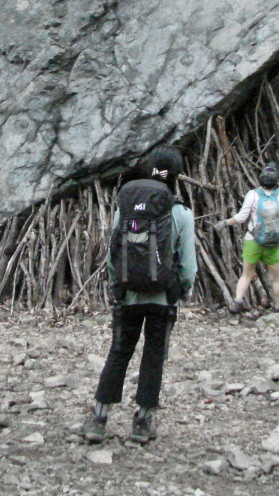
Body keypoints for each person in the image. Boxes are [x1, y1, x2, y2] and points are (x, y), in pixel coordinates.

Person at [81, 145, 197, 445]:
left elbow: (112, 252)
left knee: (119, 352)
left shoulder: (126, 207)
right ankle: (143, 422)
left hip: (128, 294)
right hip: (163, 298)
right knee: (154, 355)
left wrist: (116, 285)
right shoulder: (181, 212)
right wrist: (182, 290)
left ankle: (98, 417)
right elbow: (188, 265)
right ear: (176, 175)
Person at [214, 163, 279, 315]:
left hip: (253, 240)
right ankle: (278, 306)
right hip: (273, 241)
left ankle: (238, 301)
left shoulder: (253, 195)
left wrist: (225, 223)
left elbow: (241, 218)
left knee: (246, 274)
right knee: (276, 278)